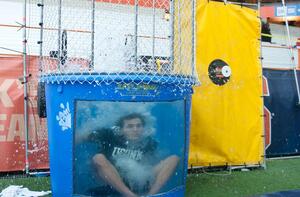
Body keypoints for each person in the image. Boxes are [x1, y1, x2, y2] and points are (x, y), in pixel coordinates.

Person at [85, 113, 179, 197]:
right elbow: (83, 136)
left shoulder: (148, 143)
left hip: (136, 182)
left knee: (174, 159)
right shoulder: (110, 137)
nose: (135, 130)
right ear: (121, 130)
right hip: (112, 182)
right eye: (130, 126)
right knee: (98, 158)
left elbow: (150, 165)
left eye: (139, 126)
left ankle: (151, 195)